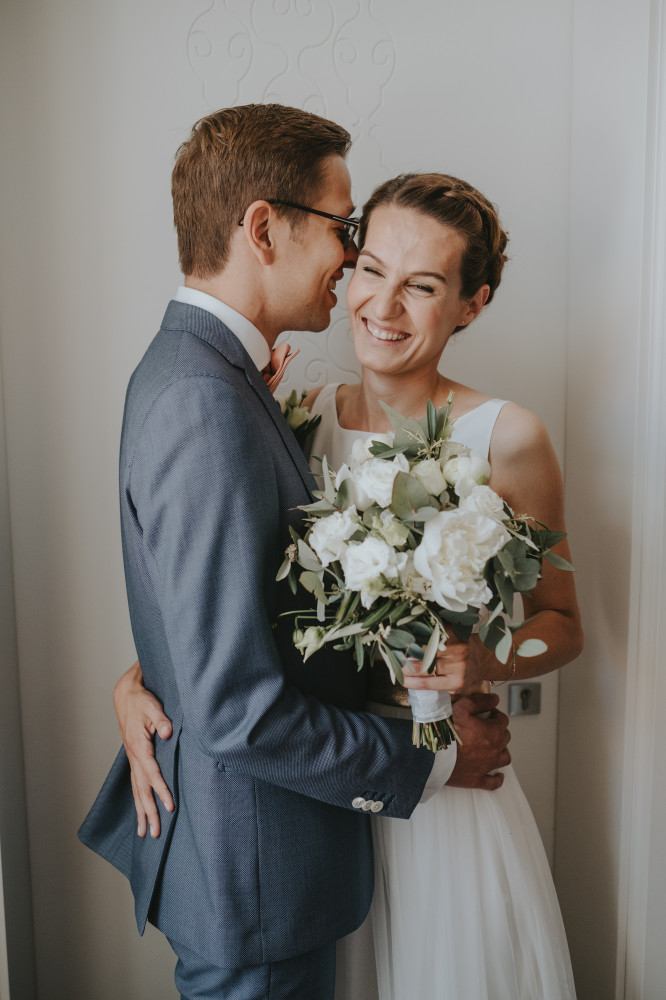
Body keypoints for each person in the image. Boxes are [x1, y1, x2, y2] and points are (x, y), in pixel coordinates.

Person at [115, 170, 583, 998]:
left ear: (471, 304)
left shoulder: (507, 438)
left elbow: (562, 622)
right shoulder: (295, 417)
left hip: (448, 786)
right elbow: (222, 601)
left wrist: (490, 663)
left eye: (423, 286)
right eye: (371, 269)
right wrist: (135, 680)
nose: (382, 305)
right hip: (319, 795)